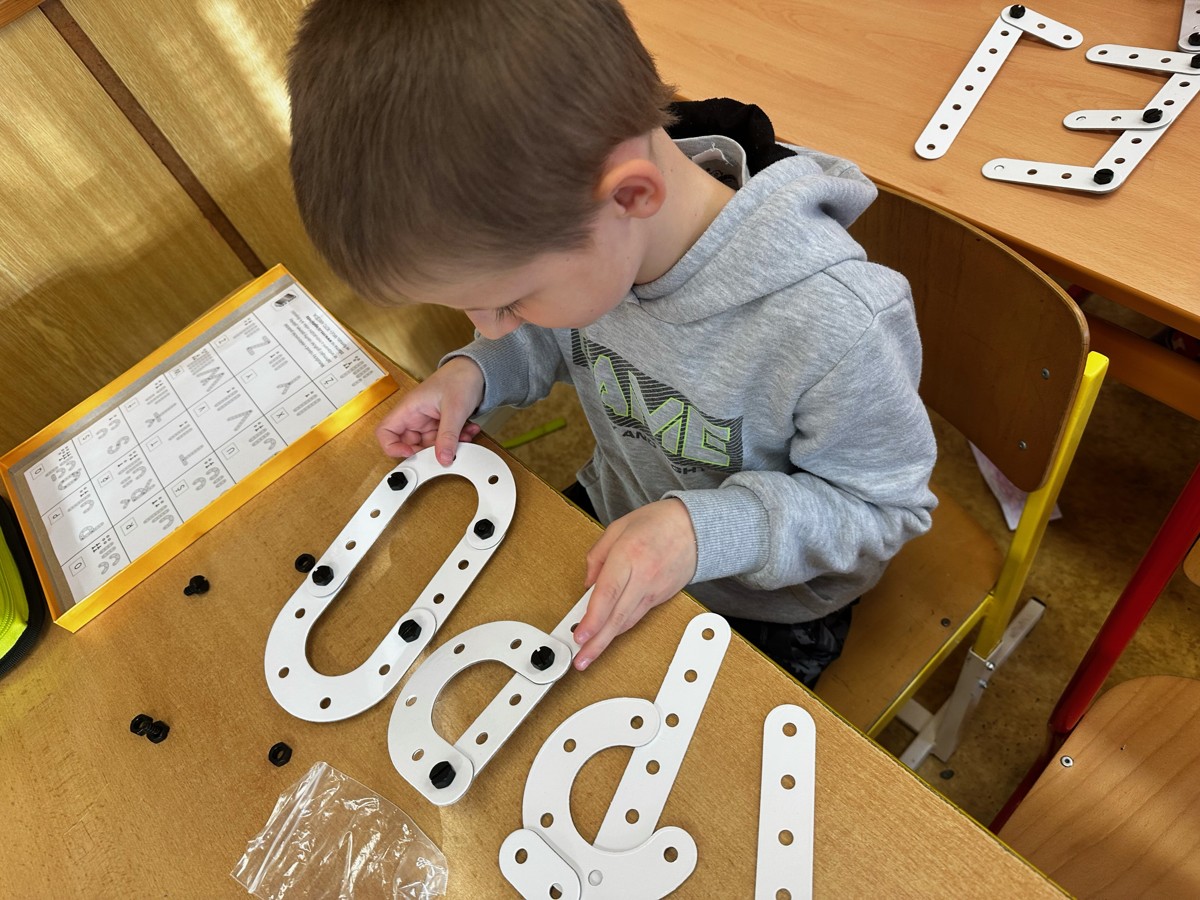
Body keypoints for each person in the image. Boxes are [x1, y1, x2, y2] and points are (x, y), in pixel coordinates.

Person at [286, 0, 937, 686]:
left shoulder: (839, 322)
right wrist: (478, 372)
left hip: (766, 602)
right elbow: (556, 333)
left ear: (629, 197)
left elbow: (881, 507)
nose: (491, 325)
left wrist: (699, 533)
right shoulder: (596, 239)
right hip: (617, 513)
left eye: (508, 300)